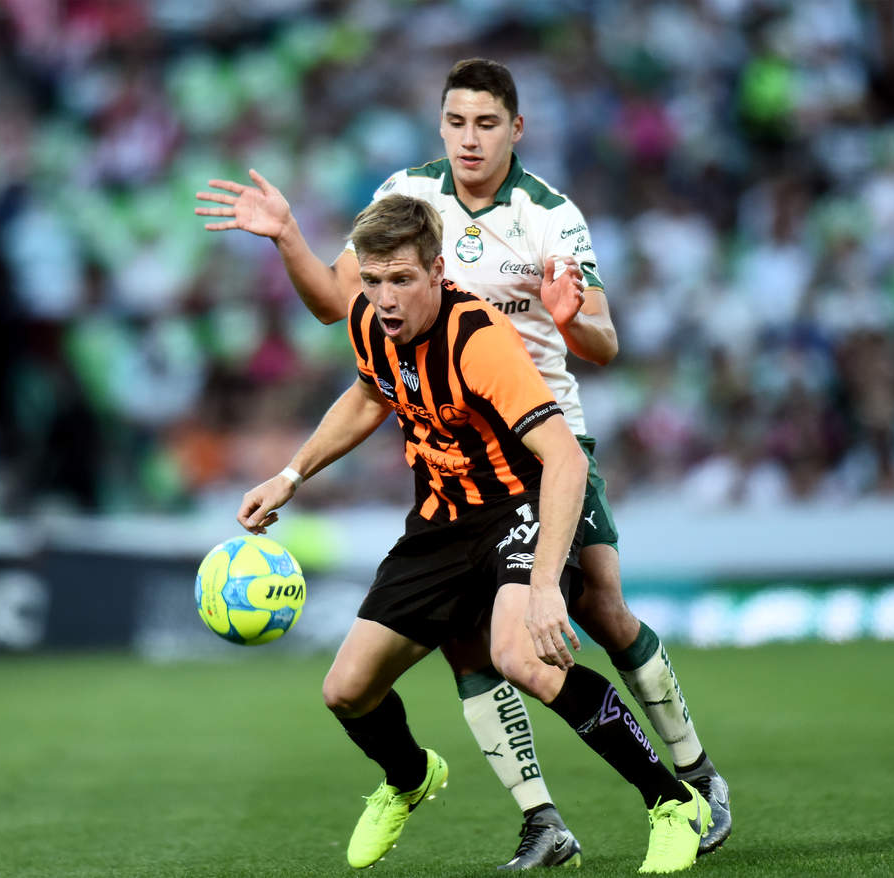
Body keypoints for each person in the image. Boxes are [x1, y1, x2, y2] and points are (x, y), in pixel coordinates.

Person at [196, 58, 732, 866]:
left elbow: (603, 345)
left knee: (594, 611)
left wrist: (570, 322)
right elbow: (350, 334)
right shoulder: (404, 206)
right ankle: (534, 817)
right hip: (450, 469)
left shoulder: (549, 218)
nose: (469, 139)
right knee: (444, 653)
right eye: (456, 122)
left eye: (486, 123)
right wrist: (289, 240)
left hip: (539, 448)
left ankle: (688, 784)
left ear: (516, 129)